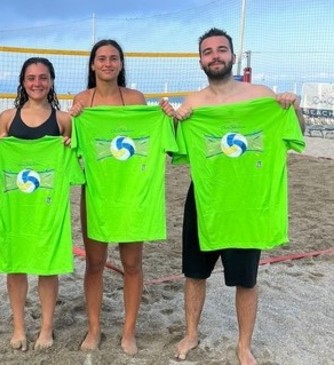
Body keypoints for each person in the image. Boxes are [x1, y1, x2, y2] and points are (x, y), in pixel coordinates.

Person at [172, 28, 305, 365]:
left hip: (247, 203)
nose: (215, 56)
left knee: (246, 279)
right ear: (200, 60)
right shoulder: (193, 104)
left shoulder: (261, 96)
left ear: (232, 55)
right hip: (205, 199)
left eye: (221, 50)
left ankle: (244, 345)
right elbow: (175, 150)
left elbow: (296, 133)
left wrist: (294, 106)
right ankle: (191, 333)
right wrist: (174, 122)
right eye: (208, 51)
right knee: (194, 273)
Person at [70, 39, 175, 356]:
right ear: (92, 64)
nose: (107, 63)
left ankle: (128, 332)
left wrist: (166, 115)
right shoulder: (82, 101)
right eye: (101, 58)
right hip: (98, 192)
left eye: (113, 58)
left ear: (121, 64)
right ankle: (94, 328)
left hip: (132, 192)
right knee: (95, 264)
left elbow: (152, 135)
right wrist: (72, 117)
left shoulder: (134, 98)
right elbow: (69, 143)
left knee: (132, 265)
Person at [0, 57, 76, 351]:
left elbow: (74, 164)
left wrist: (69, 146)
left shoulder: (64, 121)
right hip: (16, 207)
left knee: (47, 267)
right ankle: (19, 328)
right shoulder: (8, 118)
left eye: (43, 77)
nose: (37, 83)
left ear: (51, 82)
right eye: (31, 78)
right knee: (17, 265)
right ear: (23, 82)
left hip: (48, 207)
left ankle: (46, 328)